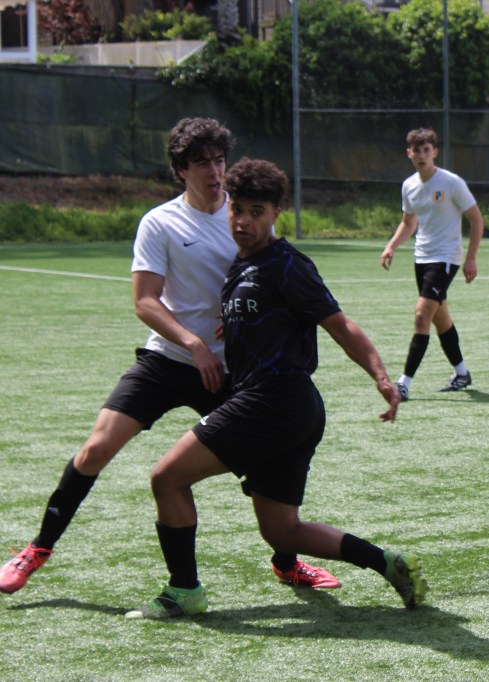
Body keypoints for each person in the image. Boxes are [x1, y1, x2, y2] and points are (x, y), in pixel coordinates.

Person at [0, 119, 337, 595]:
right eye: (202, 163)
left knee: (266, 472)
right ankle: (38, 547)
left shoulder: (244, 215)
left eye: (219, 160)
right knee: (96, 449)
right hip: (168, 360)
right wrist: (193, 342)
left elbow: (271, 283)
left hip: (230, 371)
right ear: (181, 170)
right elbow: (145, 301)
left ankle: (288, 562)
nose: (215, 171)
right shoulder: (160, 222)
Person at [126, 158, 426, 619]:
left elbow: (341, 325)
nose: (243, 221)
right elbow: (256, 316)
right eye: (237, 209)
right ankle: (386, 562)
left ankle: (183, 589)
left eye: (256, 211)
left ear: (276, 214)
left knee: (166, 478)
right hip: (286, 409)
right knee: (282, 532)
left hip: (273, 400)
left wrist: (383, 379)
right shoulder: (238, 266)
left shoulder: (287, 265)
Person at [380, 127, 485, 401]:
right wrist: (391, 246)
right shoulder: (409, 186)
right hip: (421, 258)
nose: (422, 155)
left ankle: (403, 384)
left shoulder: (452, 183)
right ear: (409, 153)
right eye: (417, 150)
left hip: (446, 258)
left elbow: (476, 219)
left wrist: (471, 257)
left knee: (421, 315)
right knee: (440, 318)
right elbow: (408, 223)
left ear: (435, 152)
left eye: (427, 150)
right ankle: (462, 373)